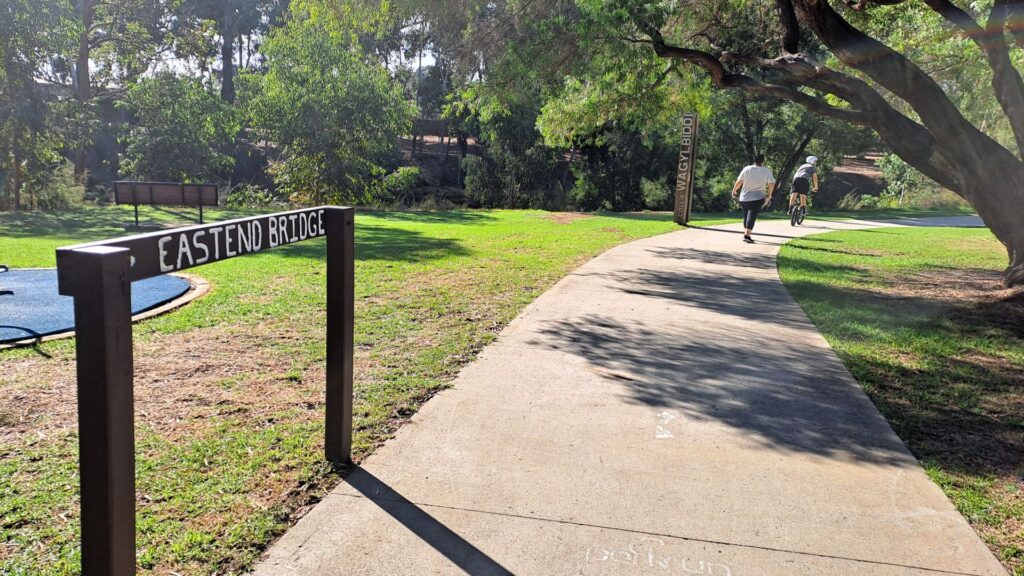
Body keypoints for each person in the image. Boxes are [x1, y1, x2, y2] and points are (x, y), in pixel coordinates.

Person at [731, 154, 775, 243]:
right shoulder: (766, 171)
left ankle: (746, 233)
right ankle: (747, 236)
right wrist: (769, 194)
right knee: (752, 215)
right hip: (758, 197)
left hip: (744, 197)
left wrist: (734, 190)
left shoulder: (747, 169)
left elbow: (739, 181)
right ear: (763, 161)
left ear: (754, 161)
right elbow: (771, 183)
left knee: (746, 215)